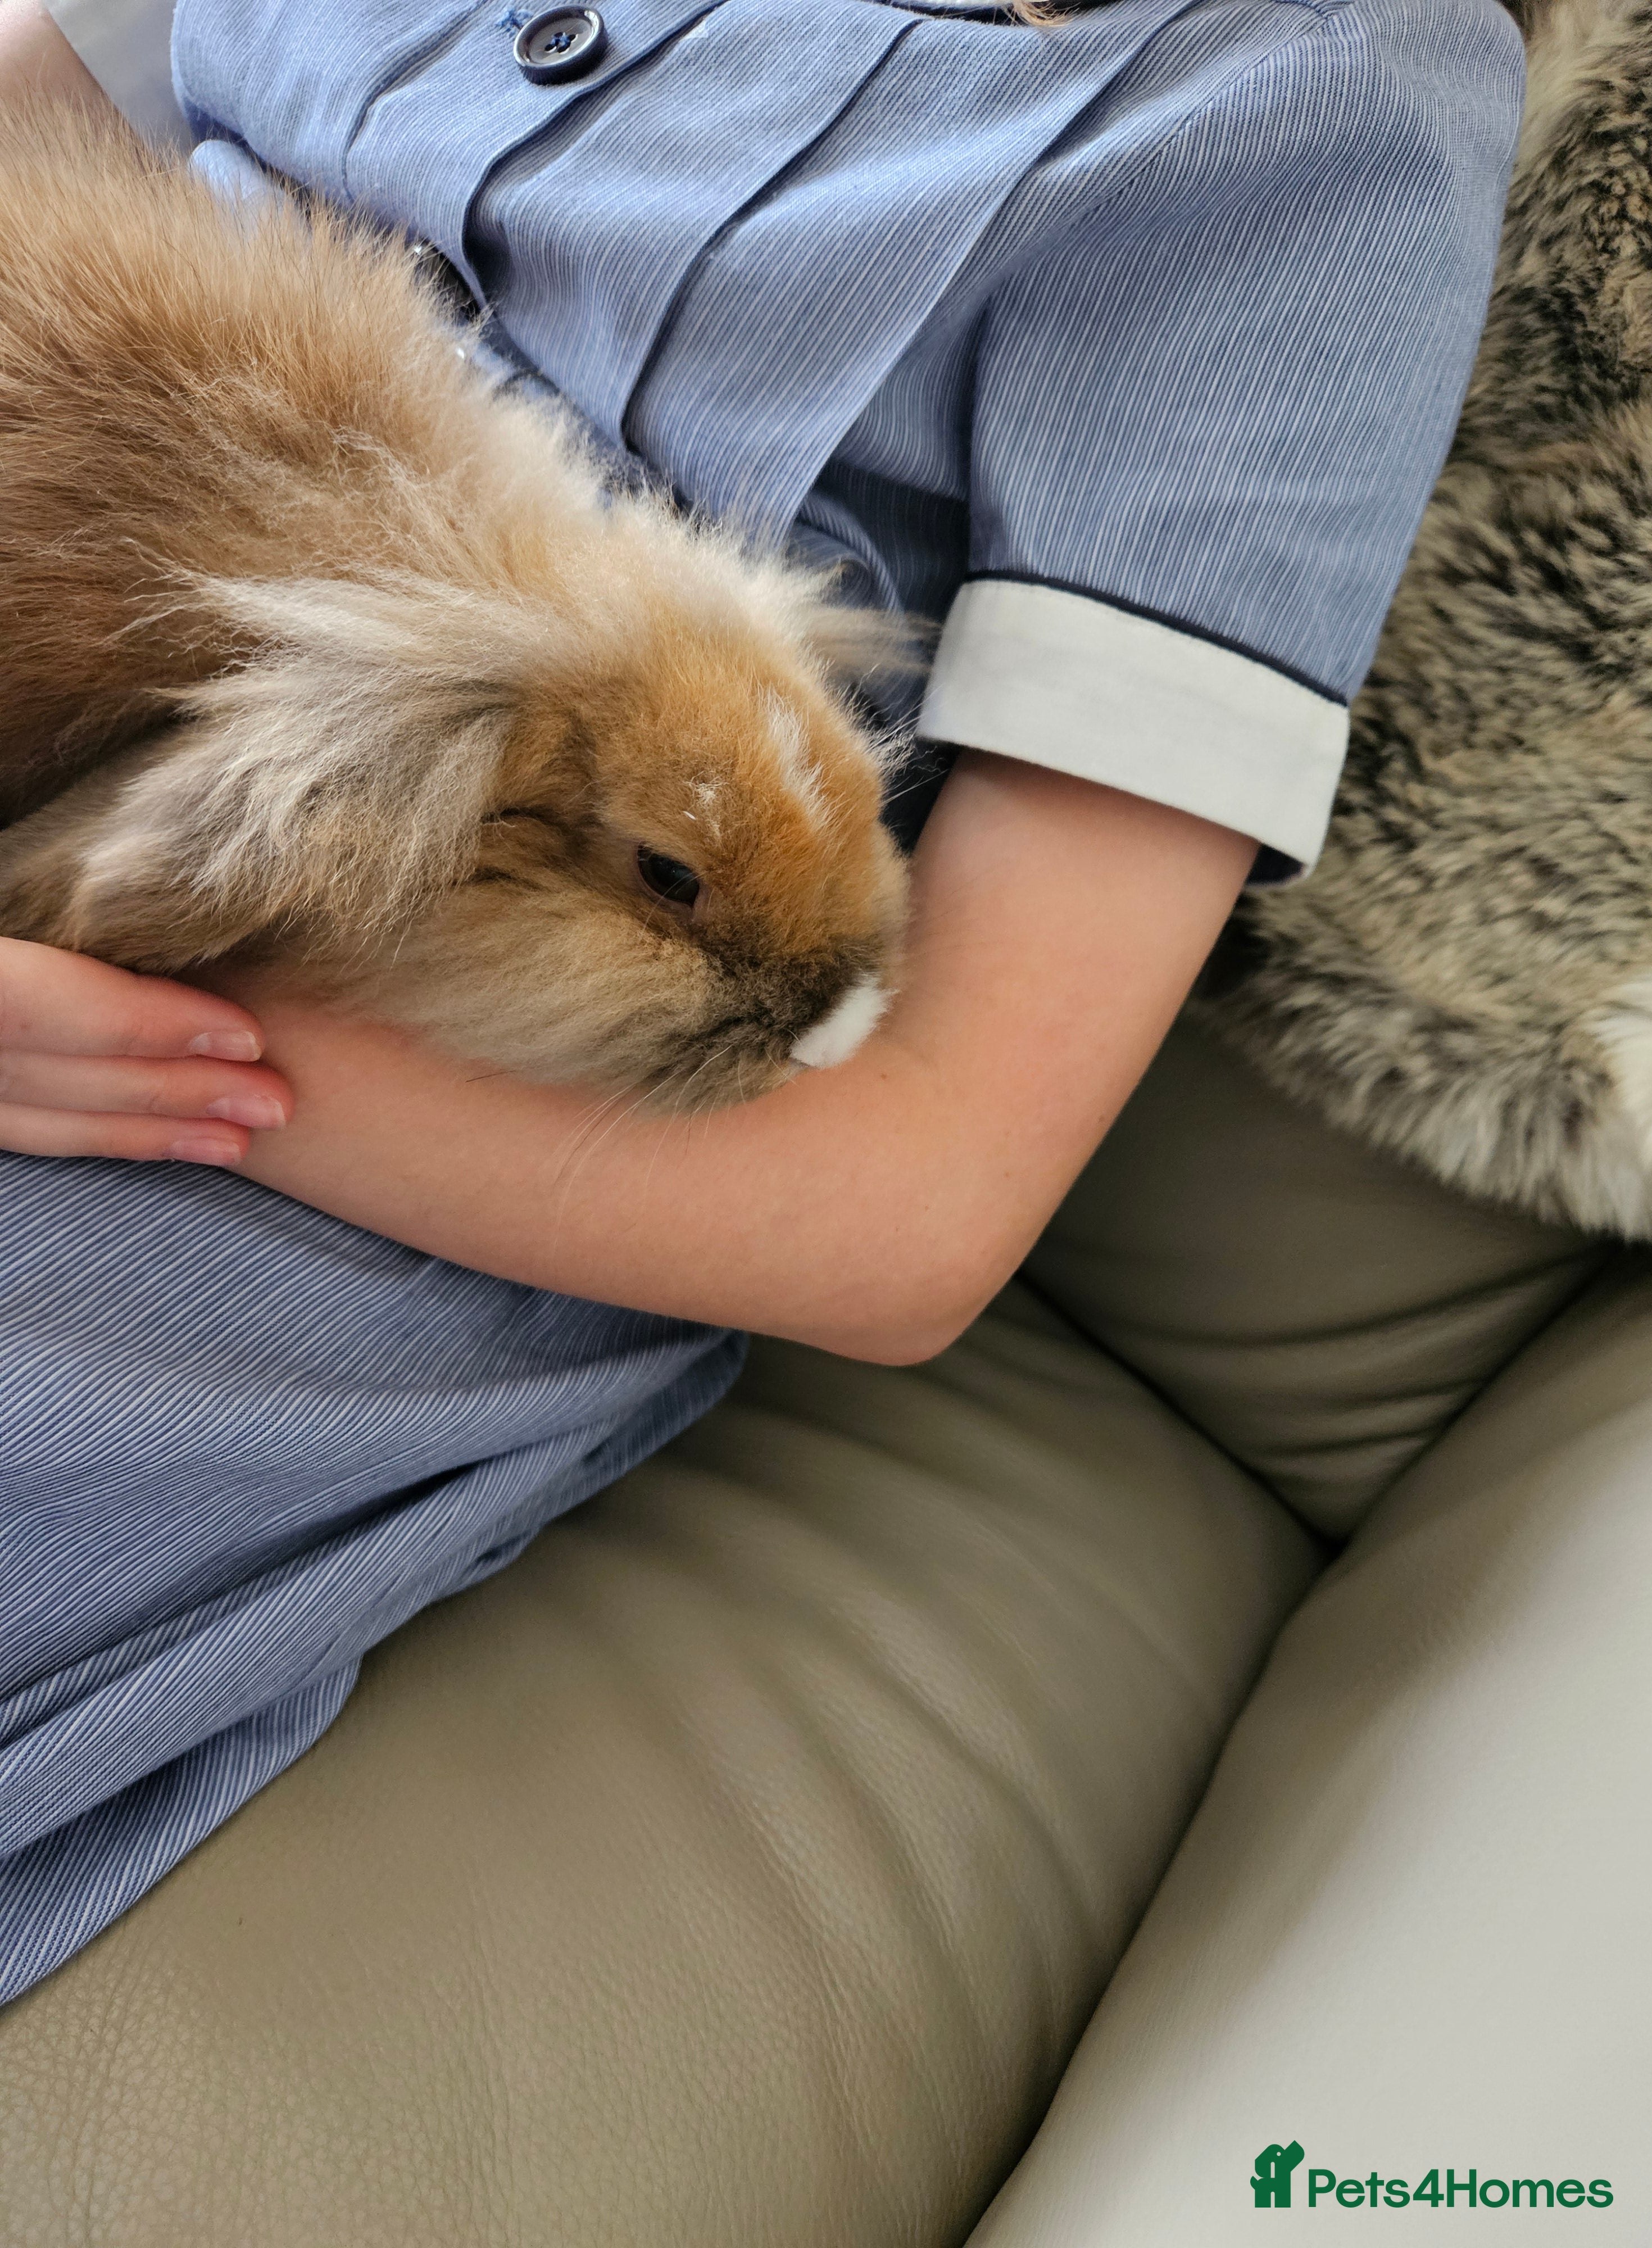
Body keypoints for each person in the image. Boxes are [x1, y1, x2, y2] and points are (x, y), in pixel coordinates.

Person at [0, 0, 1524, 2002]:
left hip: (371, 1101)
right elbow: (60, 112)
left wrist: (121, 979)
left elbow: (911, 1212)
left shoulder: (1318, 105)